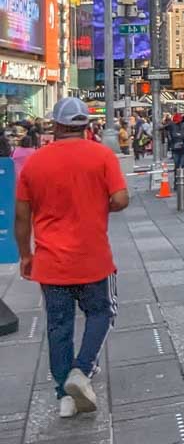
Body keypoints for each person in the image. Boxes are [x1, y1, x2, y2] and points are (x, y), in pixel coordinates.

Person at [14, 97, 129, 420]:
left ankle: (64, 395)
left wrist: (26, 255)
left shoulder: (35, 162)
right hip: (93, 257)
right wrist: (98, 206)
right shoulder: (102, 155)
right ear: (85, 126)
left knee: (58, 326)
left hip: (51, 263)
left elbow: (22, 217)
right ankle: (82, 370)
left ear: (57, 125)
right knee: (102, 312)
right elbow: (121, 198)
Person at [165, 113, 184, 187]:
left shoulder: (181, 125)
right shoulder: (172, 125)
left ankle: (180, 183)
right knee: (178, 166)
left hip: (182, 149)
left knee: (181, 166)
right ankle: (179, 183)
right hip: (178, 149)